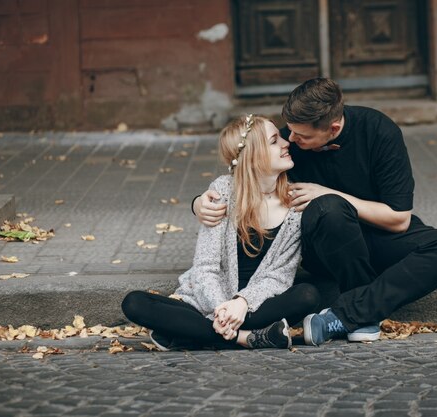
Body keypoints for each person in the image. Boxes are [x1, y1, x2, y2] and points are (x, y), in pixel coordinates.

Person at [192, 78, 437, 347]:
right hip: (326, 244)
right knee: (329, 210)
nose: (290, 139)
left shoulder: (379, 132)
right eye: (288, 131)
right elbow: (246, 172)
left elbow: (399, 219)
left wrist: (331, 193)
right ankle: (361, 314)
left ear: (333, 127)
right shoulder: (291, 139)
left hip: (380, 235)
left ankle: (347, 316)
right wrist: (199, 202)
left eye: (301, 136)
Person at [122, 114, 321, 350]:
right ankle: (248, 338)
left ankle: (188, 334)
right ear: (253, 155)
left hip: (257, 307)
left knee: (308, 295)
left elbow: (279, 277)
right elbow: (205, 267)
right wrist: (222, 308)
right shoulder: (222, 191)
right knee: (134, 303)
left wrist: (242, 303)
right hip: (207, 303)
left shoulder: (295, 204)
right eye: (274, 140)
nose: (286, 143)